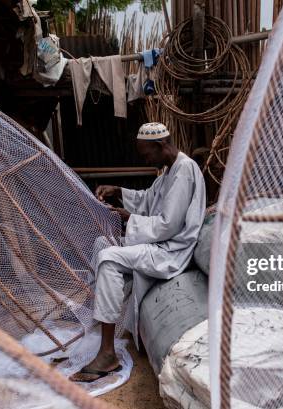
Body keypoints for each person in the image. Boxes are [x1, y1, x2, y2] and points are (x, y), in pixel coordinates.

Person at [71, 122, 206, 382]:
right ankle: (98, 316)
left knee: (108, 258)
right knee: (102, 243)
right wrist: (118, 191)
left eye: (146, 154)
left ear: (160, 146)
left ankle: (107, 353)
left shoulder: (185, 171)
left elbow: (168, 224)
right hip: (159, 242)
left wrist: (129, 218)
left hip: (171, 250)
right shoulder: (168, 171)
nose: (145, 159)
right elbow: (148, 199)